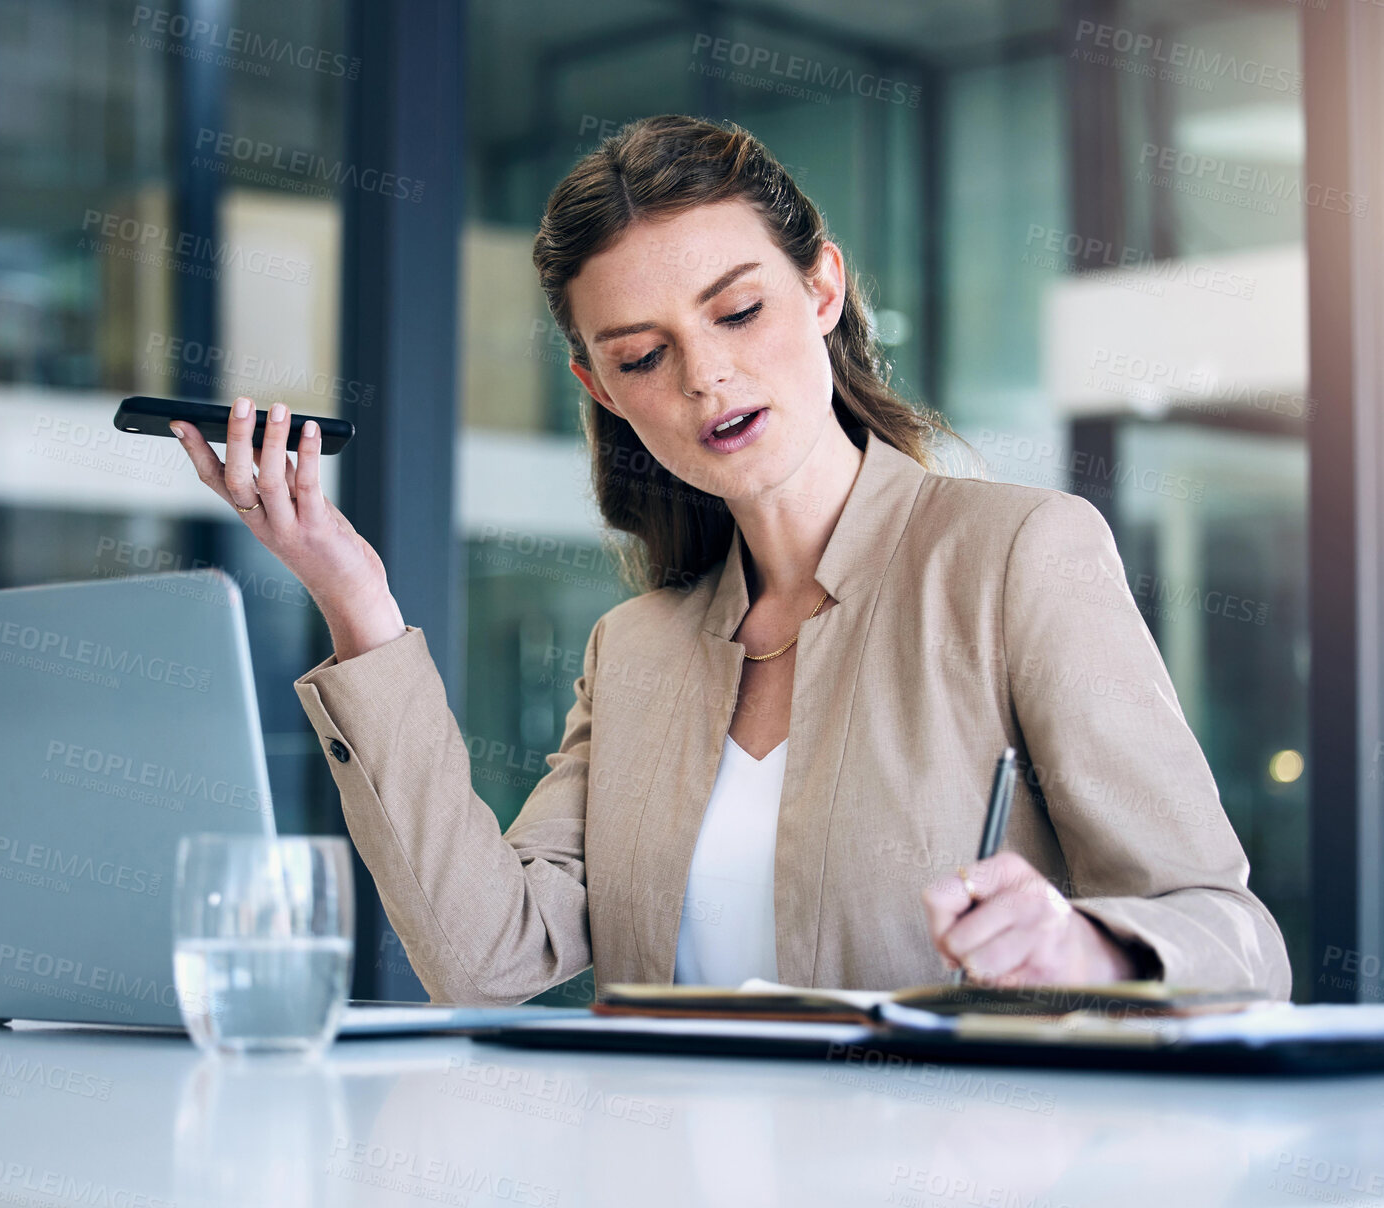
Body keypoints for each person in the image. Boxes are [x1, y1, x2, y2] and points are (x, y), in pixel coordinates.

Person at [171, 113, 1291, 1005]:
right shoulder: (635, 650)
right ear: (602, 390)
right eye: (645, 355)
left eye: (739, 310)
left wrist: (1089, 943)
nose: (704, 376)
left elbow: (1235, 937)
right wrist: (354, 599)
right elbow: (487, 957)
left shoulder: (1014, 556)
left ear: (821, 290)